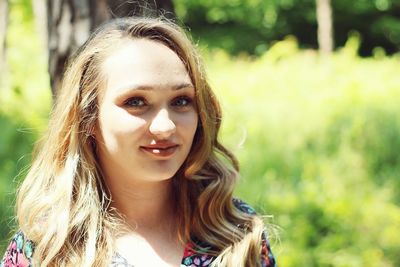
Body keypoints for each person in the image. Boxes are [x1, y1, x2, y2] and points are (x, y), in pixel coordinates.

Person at [1, 17, 277, 267]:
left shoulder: (237, 235)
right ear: (88, 118)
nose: (165, 126)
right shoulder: (47, 247)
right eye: (136, 102)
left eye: (181, 101)